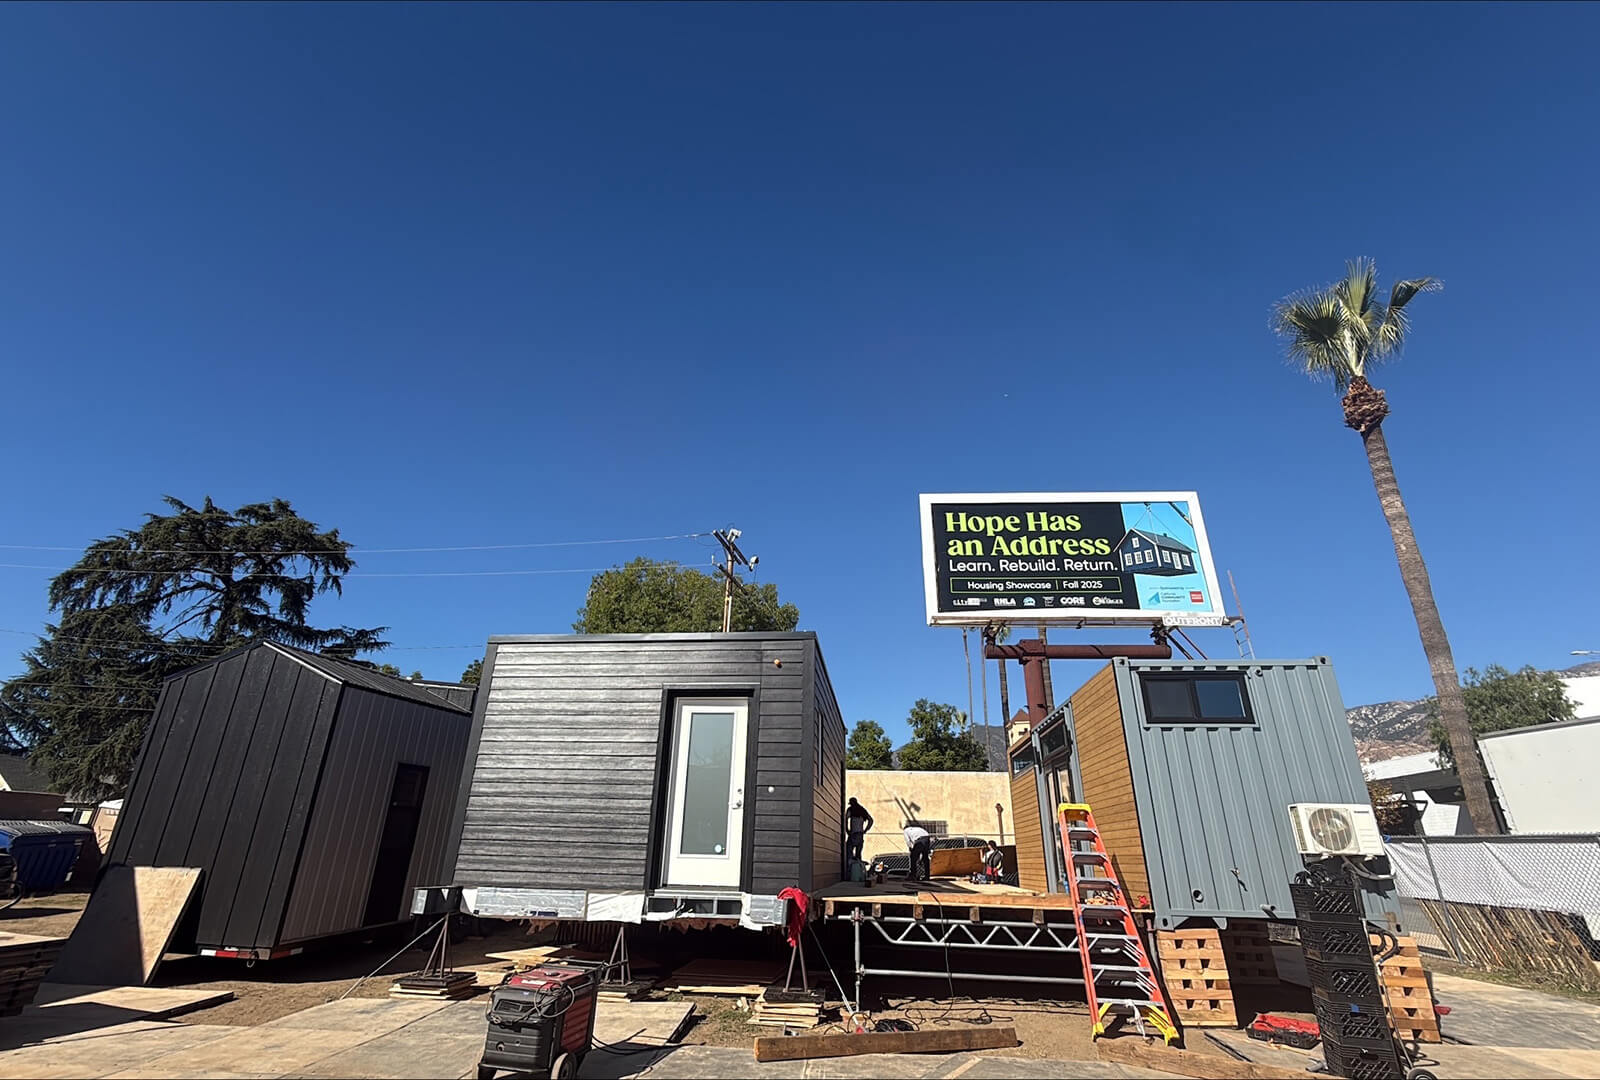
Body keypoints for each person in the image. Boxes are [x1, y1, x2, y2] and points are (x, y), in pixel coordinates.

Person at [845, 797, 873, 868]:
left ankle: (850, 871)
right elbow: (871, 820)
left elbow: (845, 819)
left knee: (849, 852)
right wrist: (866, 830)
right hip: (860, 834)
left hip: (853, 834)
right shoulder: (862, 810)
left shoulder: (850, 809)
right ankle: (858, 871)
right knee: (858, 854)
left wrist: (847, 829)